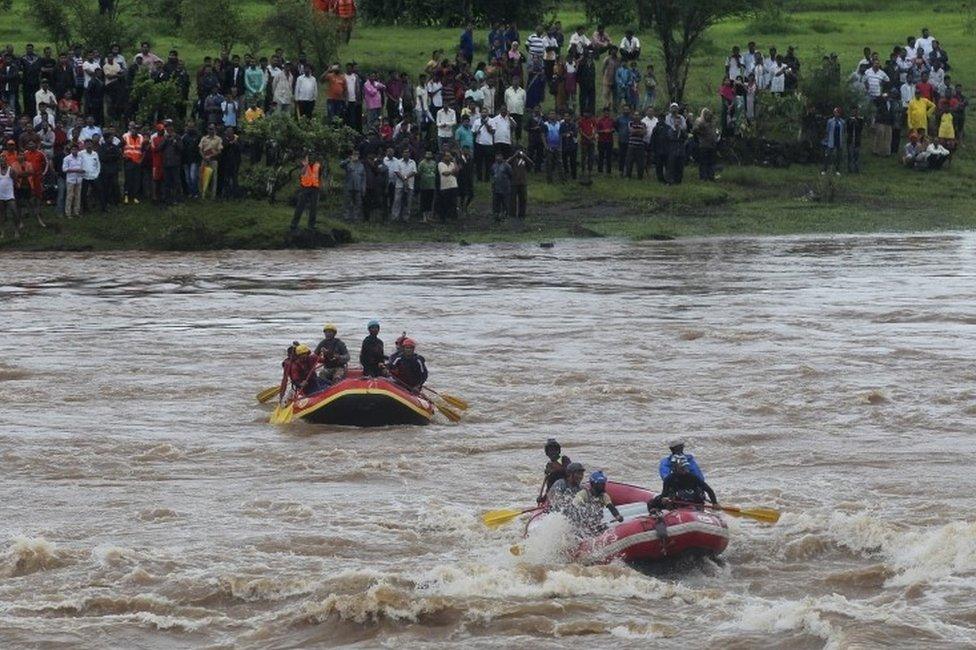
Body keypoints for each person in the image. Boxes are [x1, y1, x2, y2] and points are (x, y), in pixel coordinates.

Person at [649, 455, 718, 511]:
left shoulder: (693, 477)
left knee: (698, 493)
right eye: (682, 468)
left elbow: (708, 490)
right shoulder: (669, 479)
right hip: (678, 502)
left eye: (686, 467)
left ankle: (699, 510)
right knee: (652, 503)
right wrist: (664, 499)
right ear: (675, 468)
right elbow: (664, 493)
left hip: (694, 501)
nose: (685, 470)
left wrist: (715, 503)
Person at [291, 153, 324, 231]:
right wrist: (306, 164)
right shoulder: (304, 164)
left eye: (313, 157)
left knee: (314, 207)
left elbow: (320, 176)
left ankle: (311, 225)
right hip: (305, 187)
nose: (312, 159)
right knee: (300, 206)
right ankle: (294, 224)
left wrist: (320, 186)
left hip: (315, 188)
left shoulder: (318, 165)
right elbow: (301, 173)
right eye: (310, 157)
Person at [537, 438, 572, 502]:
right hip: (554, 494)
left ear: (558, 451)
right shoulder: (549, 465)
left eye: (554, 450)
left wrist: (555, 469)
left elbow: (569, 472)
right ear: (547, 453)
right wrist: (543, 498)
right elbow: (549, 486)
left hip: (566, 490)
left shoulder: (564, 459)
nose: (552, 452)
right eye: (549, 451)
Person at [340, 150, 366, 221]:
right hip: (349, 186)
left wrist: (363, 188)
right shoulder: (348, 163)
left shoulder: (361, 165)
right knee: (347, 202)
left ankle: (356, 217)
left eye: (357, 155)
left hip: (358, 187)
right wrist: (349, 159)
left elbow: (364, 178)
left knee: (358, 203)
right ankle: (346, 217)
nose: (356, 156)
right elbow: (341, 165)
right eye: (354, 155)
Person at [508, 148, 532, 220]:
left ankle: (522, 215)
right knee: (512, 200)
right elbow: (506, 163)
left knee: (523, 199)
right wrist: (514, 156)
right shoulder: (512, 160)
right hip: (513, 182)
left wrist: (525, 156)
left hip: (523, 183)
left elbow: (531, 164)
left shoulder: (524, 160)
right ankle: (512, 214)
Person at [821, 107, 845, 176]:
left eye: (837, 112)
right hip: (831, 140)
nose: (836, 113)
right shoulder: (830, 121)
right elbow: (827, 131)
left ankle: (837, 170)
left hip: (839, 140)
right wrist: (826, 140)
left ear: (839, 113)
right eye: (835, 112)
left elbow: (843, 132)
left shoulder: (842, 122)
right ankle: (824, 169)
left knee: (838, 156)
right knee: (827, 155)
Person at [489, 152, 512, 221]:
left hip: (505, 187)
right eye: (497, 156)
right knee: (496, 203)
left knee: (505, 203)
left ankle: (505, 215)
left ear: (502, 157)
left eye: (499, 156)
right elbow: (492, 174)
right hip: (496, 187)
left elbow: (511, 174)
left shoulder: (506, 165)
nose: (498, 158)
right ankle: (496, 215)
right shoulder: (494, 165)